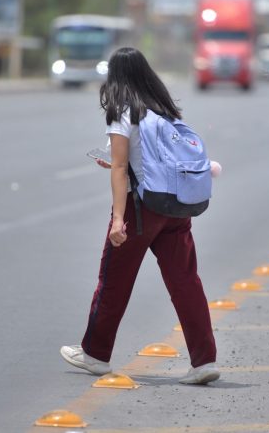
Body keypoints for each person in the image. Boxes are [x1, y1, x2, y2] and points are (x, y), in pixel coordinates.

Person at [60, 47, 219, 385]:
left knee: (114, 281)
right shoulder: (165, 111)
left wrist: (119, 220)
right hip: (175, 208)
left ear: (115, 77)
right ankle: (204, 361)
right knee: (185, 281)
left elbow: (120, 168)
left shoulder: (123, 112)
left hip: (140, 211)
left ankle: (96, 354)